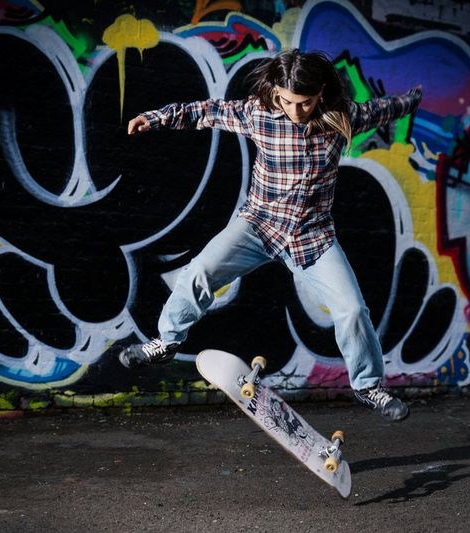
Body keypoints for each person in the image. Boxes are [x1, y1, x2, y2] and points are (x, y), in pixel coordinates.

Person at [118, 48, 422, 421]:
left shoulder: (342, 118)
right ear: (277, 91)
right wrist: (157, 117)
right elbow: (205, 111)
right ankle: (165, 342)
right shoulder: (257, 113)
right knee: (200, 272)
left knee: (352, 309)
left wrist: (413, 99)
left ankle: (368, 386)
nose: (297, 111)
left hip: (313, 239)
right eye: (289, 102)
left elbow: (385, 108)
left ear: (321, 93)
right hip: (257, 227)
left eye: (306, 103)